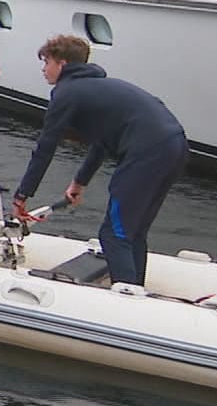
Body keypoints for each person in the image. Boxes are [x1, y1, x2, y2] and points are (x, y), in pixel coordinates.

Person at [12, 35, 188, 287]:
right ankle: (135, 290)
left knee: (114, 235)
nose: (43, 69)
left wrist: (22, 195)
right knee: (133, 232)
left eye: (46, 62)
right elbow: (102, 141)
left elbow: (45, 147)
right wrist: (79, 182)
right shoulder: (98, 87)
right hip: (175, 145)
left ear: (62, 64)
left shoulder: (66, 93)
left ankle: (126, 299)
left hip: (146, 152)